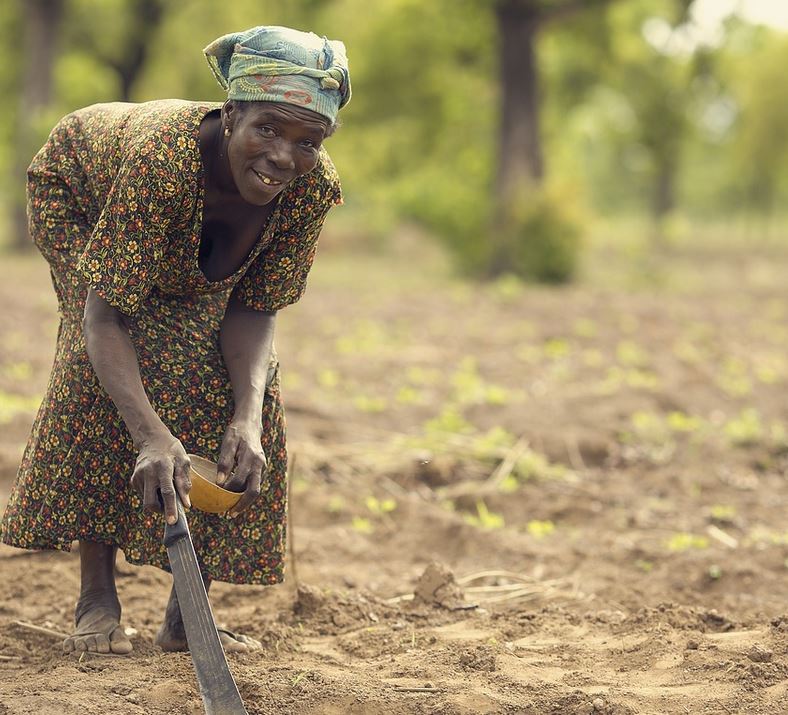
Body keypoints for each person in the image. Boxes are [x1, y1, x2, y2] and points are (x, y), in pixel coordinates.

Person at [0, 25, 350, 655]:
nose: (282, 156)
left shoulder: (310, 189)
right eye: (266, 129)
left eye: (307, 140)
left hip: (158, 219)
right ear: (232, 112)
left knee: (245, 398)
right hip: (80, 188)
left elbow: (255, 308)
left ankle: (187, 616)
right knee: (111, 359)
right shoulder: (165, 160)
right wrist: (151, 435)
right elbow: (104, 321)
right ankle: (96, 598)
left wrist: (245, 418)